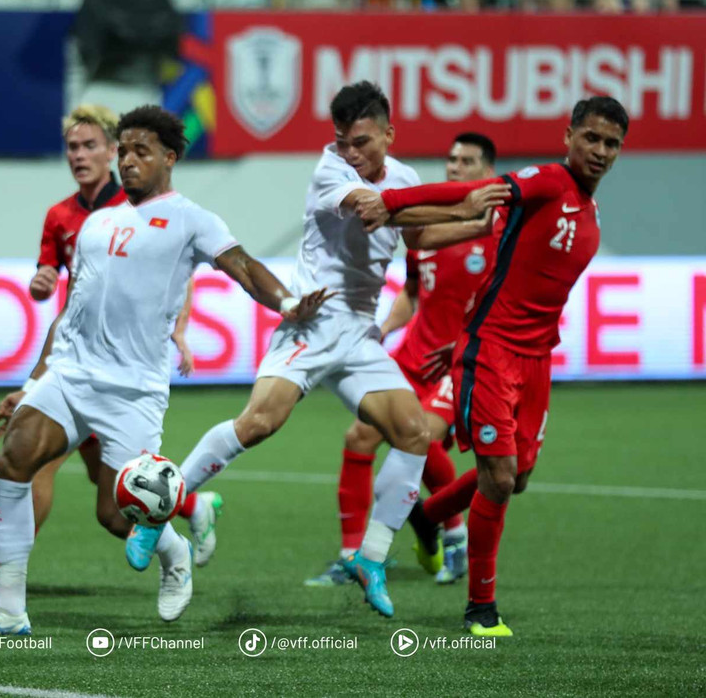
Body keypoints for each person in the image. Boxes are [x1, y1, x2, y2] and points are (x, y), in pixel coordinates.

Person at [0, 106, 331, 638]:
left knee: (116, 515)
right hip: (72, 373)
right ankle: (10, 611)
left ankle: (174, 555)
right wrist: (36, 378)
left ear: (169, 158)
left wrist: (287, 301)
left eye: (141, 152)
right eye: (124, 151)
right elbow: (71, 308)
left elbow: (242, 265)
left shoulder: (192, 219)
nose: (128, 161)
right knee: (13, 460)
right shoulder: (95, 223)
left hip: (132, 391)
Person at [135, 82, 509, 620]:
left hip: (357, 331)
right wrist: (465, 199)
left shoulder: (404, 177)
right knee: (258, 423)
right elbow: (375, 211)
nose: (350, 152)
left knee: (413, 433)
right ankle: (158, 514)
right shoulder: (330, 170)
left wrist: (476, 223)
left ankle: (372, 557)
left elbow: (418, 238)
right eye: (342, 140)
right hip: (311, 322)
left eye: (361, 142)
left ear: (388, 134)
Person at [358, 96, 629, 636]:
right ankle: (481, 608)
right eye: (591, 138)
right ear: (568, 136)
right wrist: (391, 200)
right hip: (493, 350)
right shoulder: (548, 182)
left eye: (611, 143)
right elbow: (468, 194)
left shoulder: (590, 209)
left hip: (537, 360)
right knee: (498, 478)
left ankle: (425, 515)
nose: (599, 151)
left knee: (518, 477)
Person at [0, 104, 219, 603]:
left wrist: (179, 331)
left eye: (91, 145)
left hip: (126, 375)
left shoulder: (139, 202)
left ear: (114, 152)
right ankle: (2, 580)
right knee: (33, 464)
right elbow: (58, 293)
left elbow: (181, 274)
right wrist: (38, 286)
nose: (80, 155)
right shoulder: (62, 216)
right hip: (78, 366)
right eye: (73, 146)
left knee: (115, 512)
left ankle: (188, 514)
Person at [305, 132, 498, 590]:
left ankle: (452, 536)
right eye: (451, 160)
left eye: (467, 162)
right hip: (414, 354)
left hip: (458, 360)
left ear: (487, 171)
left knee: (420, 436)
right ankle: (351, 555)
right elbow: (413, 291)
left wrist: (478, 344)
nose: (455, 168)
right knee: (361, 435)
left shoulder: (494, 231)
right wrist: (388, 328)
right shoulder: (427, 230)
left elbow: (505, 298)